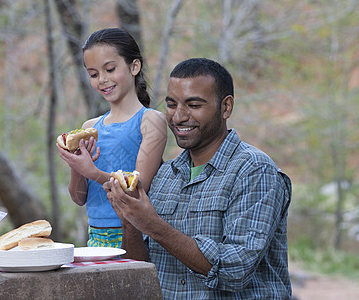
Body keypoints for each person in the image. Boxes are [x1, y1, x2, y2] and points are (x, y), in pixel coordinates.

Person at [104, 58, 292, 299]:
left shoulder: (255, 170)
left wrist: (151, 224)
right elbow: (139, 269)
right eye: (171, 104)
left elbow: (235, 270)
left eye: (194, 105)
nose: (179, 116)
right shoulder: (165, 175)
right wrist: (130, 219)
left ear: (226, 107)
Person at [57, 28, 167, 248]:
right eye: (94, 74)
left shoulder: (151, 121)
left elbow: (137, 187)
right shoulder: (90, 127)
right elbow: (79, 198)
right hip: (95, 239)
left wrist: (92, 171)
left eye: (110, 69)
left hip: (136, 235)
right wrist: (76, 163)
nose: (102, 80)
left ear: (134, 66)